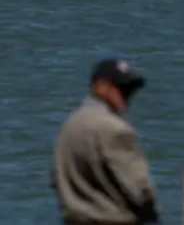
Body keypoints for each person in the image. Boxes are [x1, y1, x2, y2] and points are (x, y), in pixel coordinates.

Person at [51, 58, 161, 225]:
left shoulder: (69, 125)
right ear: (100, 86)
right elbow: (138, 188)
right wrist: (152, 213)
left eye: (130, 89)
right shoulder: (115, 129)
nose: (127, 95)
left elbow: (56, 178)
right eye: (121, 88)